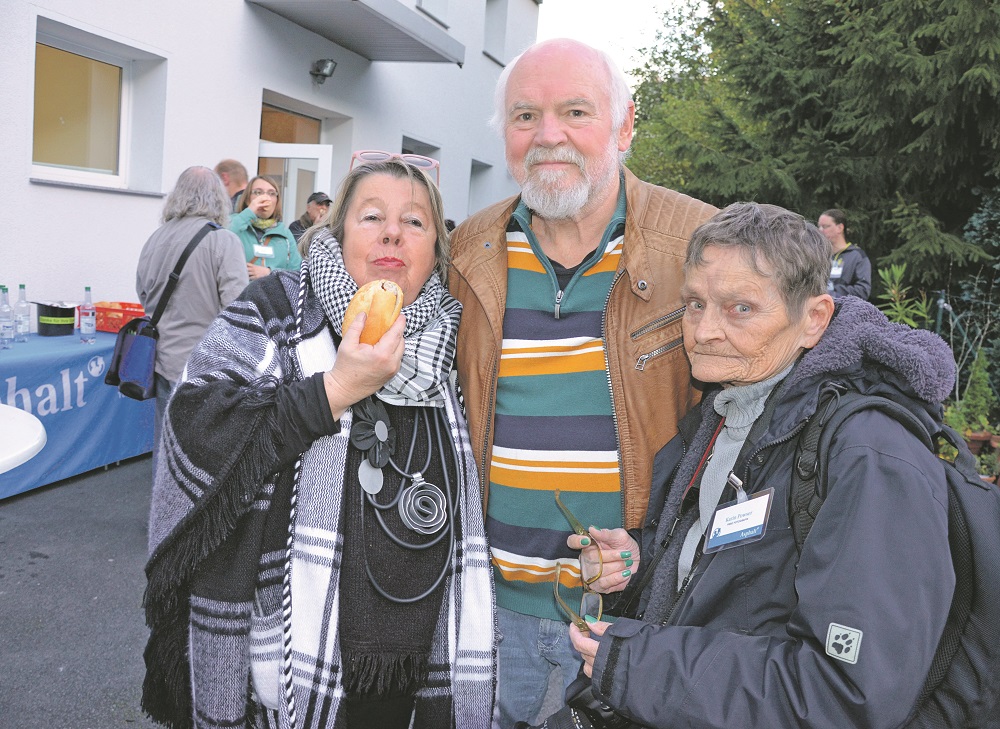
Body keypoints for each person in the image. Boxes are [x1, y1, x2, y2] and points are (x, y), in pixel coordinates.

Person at [526, 202, 956, 729]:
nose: (704, 331)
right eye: (694, 304)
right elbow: (736, 579)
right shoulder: (729, 409)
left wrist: (639, 661)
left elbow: (847, 695)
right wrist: (638, 568)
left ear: (814, 319)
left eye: (740, 309)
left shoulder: (868, 454)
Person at [142, 157, 494, 729]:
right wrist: (335, 390)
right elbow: (194, 423)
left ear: (436, 249)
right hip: (286, 650)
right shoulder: (275, 311)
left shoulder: (457, 338)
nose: (391, 233)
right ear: (337, 233)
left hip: (425, 648)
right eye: (371, 216)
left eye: (415, 222)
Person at [447, 37, 716, 726]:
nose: (549, 136)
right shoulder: (467, 251)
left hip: (631, 620)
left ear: (624, 127)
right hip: (489, 611)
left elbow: (743, 423)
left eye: (575, 111)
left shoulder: (700, 242)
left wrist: (649, 544)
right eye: (525, 116)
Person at [135, 165, 248, 454]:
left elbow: (144, 295)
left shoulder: (155, 238)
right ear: (218, 199)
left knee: (167, 445)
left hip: (163, 360)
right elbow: (238, 309)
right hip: (208, 366)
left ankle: (163, 498)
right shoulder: (223, 241)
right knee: (202, 453)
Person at [229, 175, 302, 280]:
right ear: (247, 199)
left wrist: (269, 272)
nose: (265, 197)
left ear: (276, 201)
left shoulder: (284, 233)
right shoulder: (237, 222)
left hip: (273, 295)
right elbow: (221, 240)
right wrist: (250, 211)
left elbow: (297, 273)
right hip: (242, 294)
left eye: (272, 193)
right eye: (258, 192)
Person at [818, 208, 871, 299]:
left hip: (845, 309)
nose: (820, 230)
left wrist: (832, 292)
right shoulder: (819, 256)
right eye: (819, 226)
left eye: (825, 226)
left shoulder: (857, 256)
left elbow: (863, 290)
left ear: (840, 228)